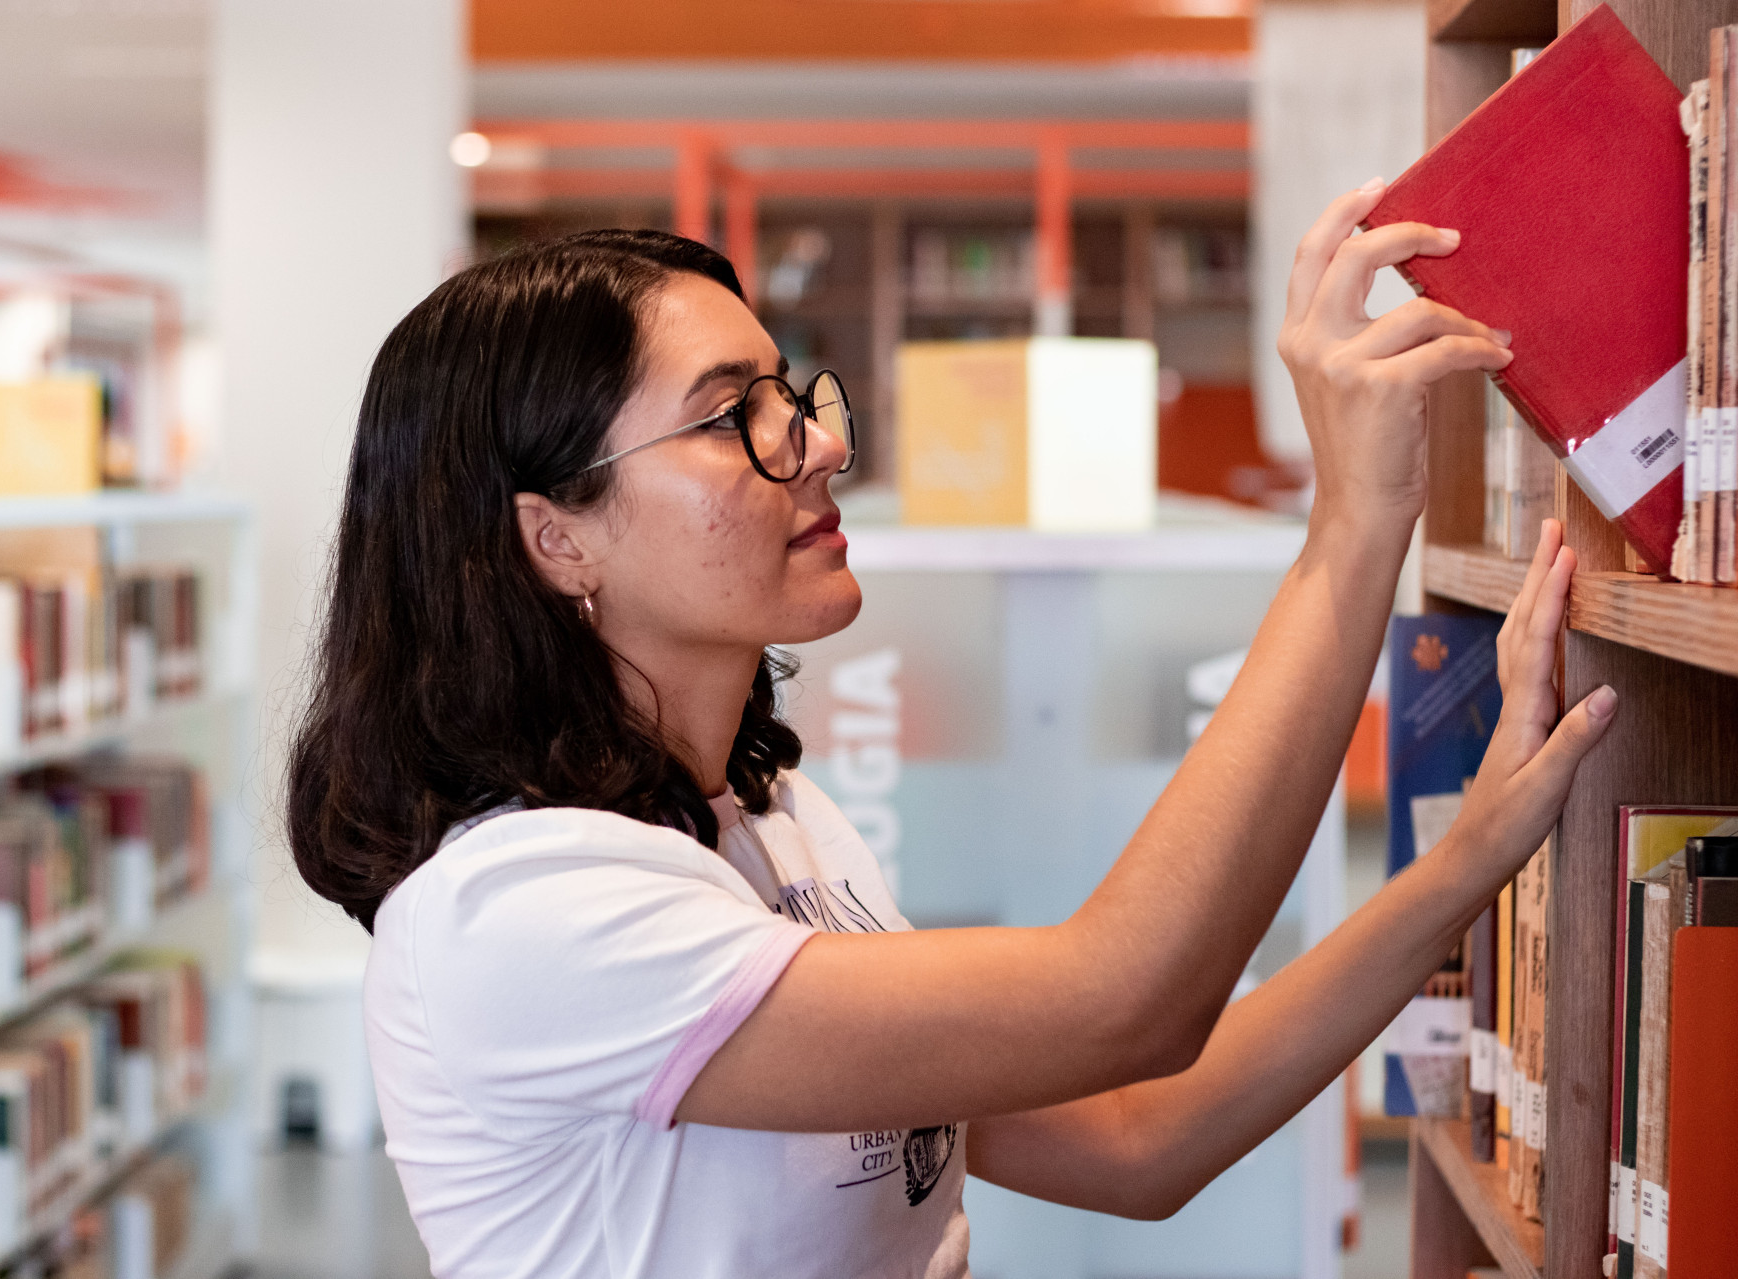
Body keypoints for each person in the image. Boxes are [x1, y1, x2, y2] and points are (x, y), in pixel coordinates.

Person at [286, 181, 1614, 1278]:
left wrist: (1470, 858)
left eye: (792, 396)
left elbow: (1141, 1133)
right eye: (731, 417)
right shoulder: (523, 908)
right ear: (554, 535)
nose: (815, 446)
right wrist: (1353, 523)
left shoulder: (772, 822)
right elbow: (1125, 999)